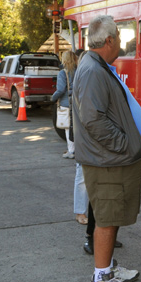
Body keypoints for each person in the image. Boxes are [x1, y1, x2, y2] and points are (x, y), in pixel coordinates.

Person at [73, 15, 141, 282]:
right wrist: (124, 143)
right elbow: (93, 120)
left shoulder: (96, 65)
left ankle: (108, 268)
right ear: (109, 41)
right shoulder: (93, 70)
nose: (122, 41)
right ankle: (100, 279)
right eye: (118, 35)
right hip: (106, 159)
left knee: (113, 214)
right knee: (105, 217)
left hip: (111, 158)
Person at [52, 51, 88, 226]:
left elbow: (60, 90)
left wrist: (52, 99)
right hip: (81, 121)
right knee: (82, 177)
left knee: (68, 130)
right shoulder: (79, 73)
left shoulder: (64, 73)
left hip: (69, 108)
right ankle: (81, 212)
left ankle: (71, 150)